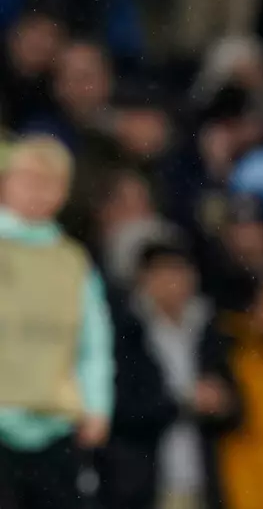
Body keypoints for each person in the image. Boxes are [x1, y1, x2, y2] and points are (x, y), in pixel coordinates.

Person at [0, 135, 114, 509]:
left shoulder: (72, 260)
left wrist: (97, 405)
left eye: (50, 182)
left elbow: (93, 342)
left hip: (54, 425)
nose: (39, 191)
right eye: (28, 179)